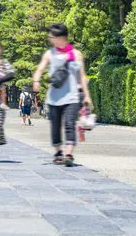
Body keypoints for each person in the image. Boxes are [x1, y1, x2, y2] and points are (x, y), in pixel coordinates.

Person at [33, 23, 92, 167]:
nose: (51, 39)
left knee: (70, 124)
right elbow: (40, 68)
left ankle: (69, 153)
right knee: (55, 126)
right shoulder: (50, 54)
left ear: (63, 37)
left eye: (53, 37)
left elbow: (82, 76)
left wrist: (86, 95)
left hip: (71, 96)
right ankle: (58, 151)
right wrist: (36, 80)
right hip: (54, 98)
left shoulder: (76, 54)